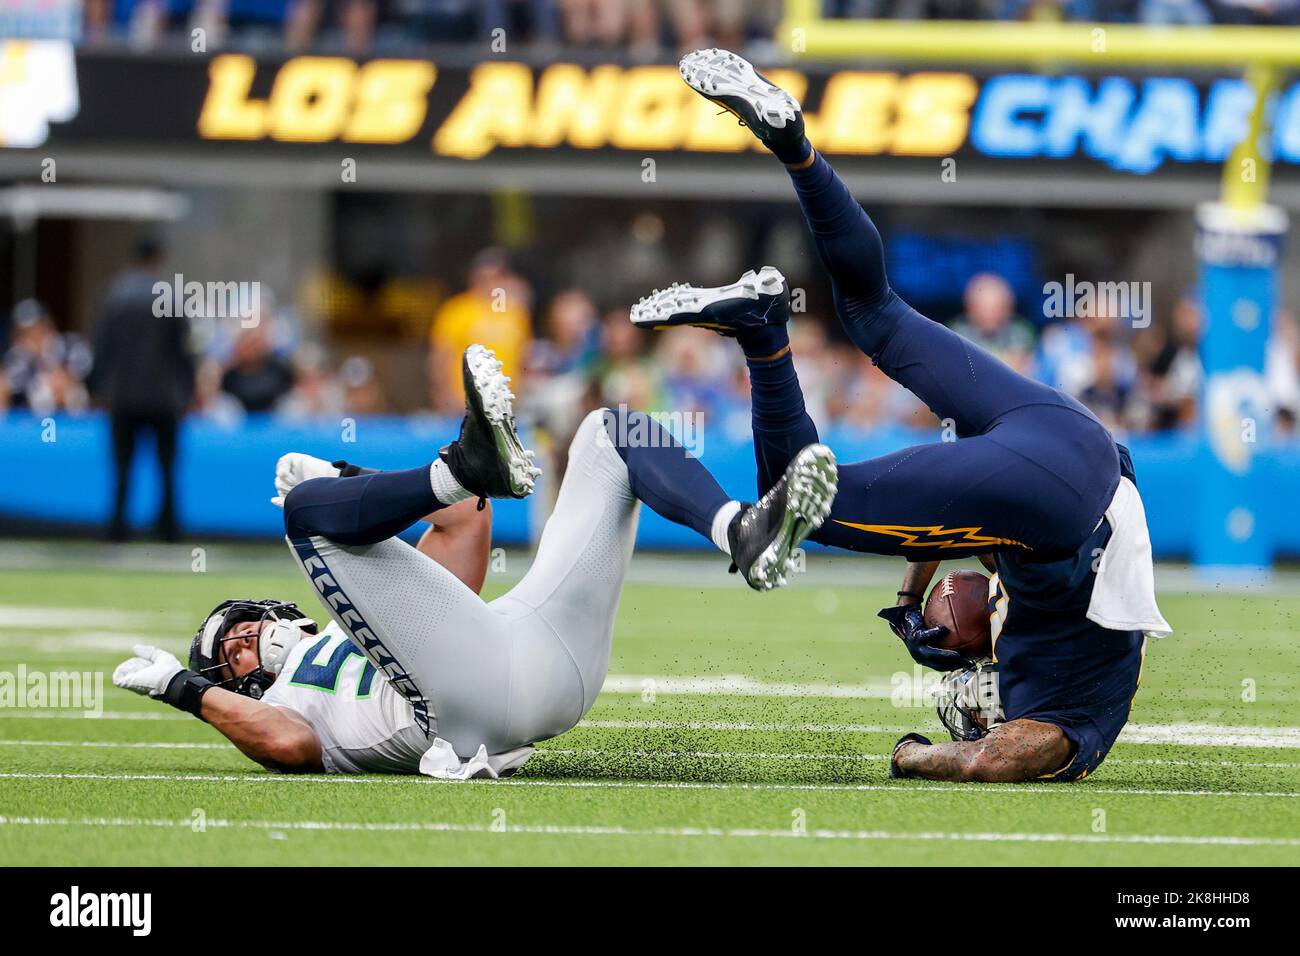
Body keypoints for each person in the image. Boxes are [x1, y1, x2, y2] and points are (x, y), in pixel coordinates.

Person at [630, 49, 1171, 783]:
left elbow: (969, 501)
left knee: (874, 312)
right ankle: (763, 334)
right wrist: (916, 755)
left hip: (1068, 439)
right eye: (972, 701)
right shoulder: (1072, 725)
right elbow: (997, 761)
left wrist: (910, 596)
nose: (972, 688)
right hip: (1064, 501)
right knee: (804, 509)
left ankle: (796, 147)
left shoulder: (1026, 584)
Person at [112, 344, 838, 775]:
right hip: (469, 711)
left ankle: (736, 529)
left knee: (605, 432)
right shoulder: (282, 700)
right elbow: (291, 744)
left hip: (539, 657)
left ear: (270, 607)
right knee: (305, 511)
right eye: (228, 655)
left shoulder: (355, 615)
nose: (241, 644)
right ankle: (460, 461)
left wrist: (348, 474)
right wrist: (187, 691)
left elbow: (466, 522)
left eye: (236, 627)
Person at [90, 237, 195, 542]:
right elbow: (184, 350)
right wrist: (187, 390)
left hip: (122, 395)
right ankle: (168, 528)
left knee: (122, 465)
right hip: (164, 397)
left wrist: (97, 387)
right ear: (157, 258)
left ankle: (117, 528)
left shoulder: (114, 295)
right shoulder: (168, 296)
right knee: (166, 467)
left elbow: (101, 346)